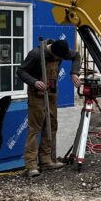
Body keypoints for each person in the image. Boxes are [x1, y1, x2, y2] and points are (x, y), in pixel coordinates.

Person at [17, 38, 81, 176]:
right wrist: (34, 82)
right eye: (58, 58)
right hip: (37, 95)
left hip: (52, 94)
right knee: (35, 129)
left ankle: (46, 161)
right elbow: (21, 71)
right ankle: (31, 165)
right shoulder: (36, 54)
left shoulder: (61, 50)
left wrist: (74, 72)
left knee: (51, 126)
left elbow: (76, 55)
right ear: (53, 51)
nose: (60, 60)